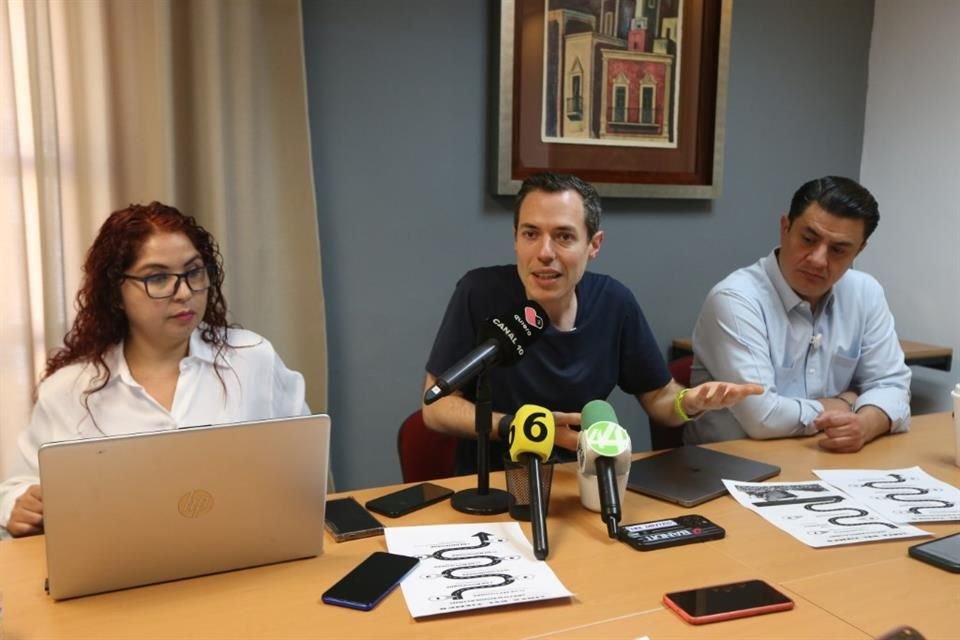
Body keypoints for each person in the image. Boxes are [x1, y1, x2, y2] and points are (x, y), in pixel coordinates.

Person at [0, 202, 308, 537]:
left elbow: (306, 463)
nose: (185, 292)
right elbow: (17, 487)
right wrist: (20, 502)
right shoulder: (69, 389)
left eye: (194, 272)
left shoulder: (252, 358)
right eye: (158, 278)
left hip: (244, 554)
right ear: (115, 292)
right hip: (119, 573)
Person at [422, 173, 762, 473]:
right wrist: (516, 427)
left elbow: (660, 397)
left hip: (581, 483)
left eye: (564, 237)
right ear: (515, 238)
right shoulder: (479, 293)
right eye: (530, 234)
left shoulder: (614, 303)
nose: (544, 252)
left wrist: (688, 403)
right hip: (495, 486)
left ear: (593, 245)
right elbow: (435, 407)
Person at [688, 176, 911, 452]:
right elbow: (763, 418)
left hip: (828, 461)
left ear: (859, 250)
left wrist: (864, 426)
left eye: (839, 250)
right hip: (733, 468)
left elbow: (892, 386)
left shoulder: (865, 292)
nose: (818, 259)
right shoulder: (736, 299)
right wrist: (844, 403)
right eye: (808, 239)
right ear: (785, 227)